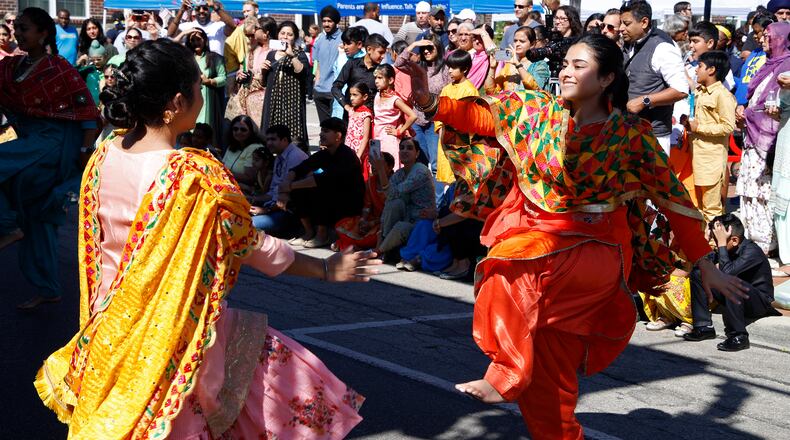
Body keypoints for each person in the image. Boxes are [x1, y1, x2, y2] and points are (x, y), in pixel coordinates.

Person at [402, 33, 747, 439]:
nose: (566, 71)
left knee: (508, 268)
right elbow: (481, 117)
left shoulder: (630, 134)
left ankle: (507, 370)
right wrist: (428, 100)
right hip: (540, 236)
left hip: (594, 249)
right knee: (549, 374)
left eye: (579, 65)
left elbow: (674, 200)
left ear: (606, 79)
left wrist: (706, 265)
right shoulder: (539, 113)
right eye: (565, 63)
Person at [34, 38, 378, 438]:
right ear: (178, 102)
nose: (204, 96)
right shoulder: (192, 178)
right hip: (176, 335)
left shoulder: (104, 154)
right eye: (199, 88)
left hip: (109, 335)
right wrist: (324, 268)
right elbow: (249, 245)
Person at [0, 7, 99, 309]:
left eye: (24, 28)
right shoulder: (12, 66)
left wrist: (83, 153)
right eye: (15, 27)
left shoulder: (59, 68)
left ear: (43, 33)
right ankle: (48, 287)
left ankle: (6, 228)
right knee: (38, 218)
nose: (17, 32)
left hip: (54, 144)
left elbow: (90, 114)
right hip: (31, 142)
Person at [684, 214, 781, 351]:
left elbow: (726, 274)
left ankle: (739, 336)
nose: (717, 246)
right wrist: (705, 242)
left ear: (734, 240)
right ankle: (703, 327)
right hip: (736, 296)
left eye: (718, 241)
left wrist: (722, 244)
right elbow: (702, 265)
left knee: (732, 282)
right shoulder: (728, 248)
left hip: (758, 302)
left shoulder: (752, 252)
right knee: (699, 273)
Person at [737, 22, 790, 254]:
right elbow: (754, 95)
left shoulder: (787, 65)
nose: (763, 40)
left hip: (771, 138)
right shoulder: (767, 64)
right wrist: (744, 110)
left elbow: (780, 103)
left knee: (763, 190)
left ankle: (767, 243)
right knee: (749, 188)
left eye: (769, 37)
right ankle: (752, 240)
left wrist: (754, 112)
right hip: (753, 134)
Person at [280, 117, 365, 248]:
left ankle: (322, 234)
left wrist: (289, 187)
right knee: (300, 187)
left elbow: (320, 180)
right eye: (321, 131)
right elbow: (300, 168)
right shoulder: (325, 154)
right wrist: (286, 186)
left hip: (349, 203)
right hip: (333, 198)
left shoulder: (346, 155)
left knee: (320, 188)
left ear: (338, 136)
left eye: (326, 131)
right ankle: (308, 232)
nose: (321, 134)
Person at [621, 1, 689, 155]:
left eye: (626, 23)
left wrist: (644, 100)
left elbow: (681, 90)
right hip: (626, 131)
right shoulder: (627, 45)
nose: (621, 28)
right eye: (621, 23)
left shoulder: (663, 48)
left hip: (653, 136)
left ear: (644, 22)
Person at [687, 51, 737, 222]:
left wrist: (699, 127)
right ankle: (702, 245)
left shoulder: (723, 95)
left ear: (711, 70)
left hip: (711, 161)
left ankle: (715, 246)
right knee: (698, 206)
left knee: (712, 209)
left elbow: (728, 126)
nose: (696, 70)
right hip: (695, 157)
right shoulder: (700, 91)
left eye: (699, 66)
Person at [395, 35, 450, 174]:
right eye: (423, 49)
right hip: (417, 121)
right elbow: (398, 63)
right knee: (419, 162)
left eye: (430, 48)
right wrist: (414, 44)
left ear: (438, 48)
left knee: (436, 163)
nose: (426, 51)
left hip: (435, 121)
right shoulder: (417, 67)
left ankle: (437, 196)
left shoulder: (445, 69)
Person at [377, 138, 436, 255]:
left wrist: (380, 170)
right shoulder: (398, 174)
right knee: (394, 204)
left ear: (417, 153)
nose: (404, 151)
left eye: (409, 148)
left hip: (421, 223)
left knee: (400, 226)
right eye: (402, 148)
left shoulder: (421, 170)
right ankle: (383, 245)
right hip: (406, 218)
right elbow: (389, 200)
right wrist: (380, 230)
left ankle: (380, 251)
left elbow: (392, 193)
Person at [250, 124, 308, 237]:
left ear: (285, 140)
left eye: (273, 139)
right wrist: (252, 200)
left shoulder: (295, 157)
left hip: (288, 213)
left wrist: (265, 210)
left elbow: (286, 197)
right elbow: (273, 192)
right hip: (273, 208)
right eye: (267, 140)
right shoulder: (279, 156)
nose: (269, 143)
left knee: (246, 225)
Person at [436, 50, 478, 198]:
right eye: (449, 67)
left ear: (465, 69)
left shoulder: (470, 90)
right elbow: (439, 114)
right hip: (444, 139)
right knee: (446, 181)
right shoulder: (446, 89)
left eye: (453, 68)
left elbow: (471, 120)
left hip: (460, 143)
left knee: (458, 179)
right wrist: (440, 131)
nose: (449, 71)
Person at [334, 152, 395, 251]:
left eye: (379, 163)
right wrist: (363, 221)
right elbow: (367, 206)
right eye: (373, 164)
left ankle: (344, 244)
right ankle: (353, 246)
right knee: (341, 225)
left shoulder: (396, 181)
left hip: (386, 221)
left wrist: (372, 224)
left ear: (390, 166)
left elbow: (393, 211)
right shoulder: (370, 183)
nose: (375, 166)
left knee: (378, 235)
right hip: (371, 219)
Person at [261, 21, 310, 143]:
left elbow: (303, 73)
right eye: (282, 33)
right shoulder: (271, 55)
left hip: (292, 103)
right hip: (272, 102)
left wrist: (291, 56)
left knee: (292, 138)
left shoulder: (300, 55)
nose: (285, 37)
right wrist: (263, 71)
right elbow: (264, 83)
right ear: (278, 35)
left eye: (290, 34)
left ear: (295, 38)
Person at [231, 16, 276, 127]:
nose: (251, 36)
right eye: (247, 35)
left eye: (256, 30)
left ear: (266, 33)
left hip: (265, 100)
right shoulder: (252, 51)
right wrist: (240, 75)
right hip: (247, 99)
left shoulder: (275, 52)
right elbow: (243, 70)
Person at [333, 33, 389, 117]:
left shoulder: (381, 71)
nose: (383, 56)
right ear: (369, 49)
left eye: (384, 53)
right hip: (351, 118)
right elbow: (336, 87)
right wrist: (346, 106)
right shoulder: (352, 64)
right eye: (380, 52)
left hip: (372, 118)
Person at [373, 64, 417, 170]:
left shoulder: (394, 99)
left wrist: (399, 131)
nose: (376, 81)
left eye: (380, 78)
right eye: (375, 78)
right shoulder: (377, 95)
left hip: (389, 139)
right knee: (377, 171)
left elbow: (413, 115)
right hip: (376, 138)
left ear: (391, 80)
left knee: (390, 170)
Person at [186, 27, 226, 144]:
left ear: (204, 40)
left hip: (208, 99)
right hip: (191, 98)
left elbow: (223, 78)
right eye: (192, 40)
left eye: (198, 39)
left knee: (206, 127)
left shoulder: (214, 58)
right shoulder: (187, 58)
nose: (196, 43)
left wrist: (209, 81)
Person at [485, 26, 550, 93]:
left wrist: (518, 65)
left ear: (532, 44)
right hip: (508, 103)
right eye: (515, 41)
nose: (517, 44)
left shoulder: (539, 64)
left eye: (522, 41)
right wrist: (492, 68)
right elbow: (490, 91)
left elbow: (536, 90)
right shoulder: (509, 65)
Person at [168, 0, 236, 55]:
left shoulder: (219, 26)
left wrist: (215, 7)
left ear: (210, 9)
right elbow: (170, 34)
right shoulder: (187, 26)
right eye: (197, 8)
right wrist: (181, 10)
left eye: (205, 8)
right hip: (194, 70)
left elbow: (232, 26)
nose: (201, 11)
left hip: (216, 70)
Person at [312, 5, 343, 123]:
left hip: (335, 90)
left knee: (337, 127)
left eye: (329, 21)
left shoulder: (344, 39)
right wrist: (316, 86)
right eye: (324, 21)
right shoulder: (320, 40)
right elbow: (318, 64)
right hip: (320, 91)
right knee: (324, 126)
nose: (326, 24)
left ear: (336, 22)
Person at [331, 26, 369, 119]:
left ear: (359, 44)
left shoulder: (365, 59)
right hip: (340, 105)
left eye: (348, 44)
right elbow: (336, 82)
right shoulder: (341, 58)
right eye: (344, 44)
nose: (345, 47)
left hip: (360, 108)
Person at [223, 0, 259, 95]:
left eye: (248, 11)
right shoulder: (240, 31)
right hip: (240, 75)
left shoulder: (262, 27)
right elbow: (240, 58)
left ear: (256, 10)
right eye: (244, 12)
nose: (246, 14)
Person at [687, 21, 735, 90]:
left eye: (695, 41)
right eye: (690, 41)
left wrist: (689, 80)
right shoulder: (690, 67)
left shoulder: (721, 68)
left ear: (710, 43)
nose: (690, 45)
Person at [222, 115, 264, 192]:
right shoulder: (231, 147)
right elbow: (222, 165)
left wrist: (225, 173)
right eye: (235, 129)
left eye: (243, 130)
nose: (238, 132)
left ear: (251, 132)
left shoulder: (254, 148)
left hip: (244, 191)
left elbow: (249, 178)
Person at [345, 82, 373, 165]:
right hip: (349, 148)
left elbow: (365, 137)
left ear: (365, 97)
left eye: (355, 95)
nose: (351, 98)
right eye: (350, 95)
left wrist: (358, 155)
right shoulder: (351, 111)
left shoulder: (366, 114)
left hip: (359, 150)